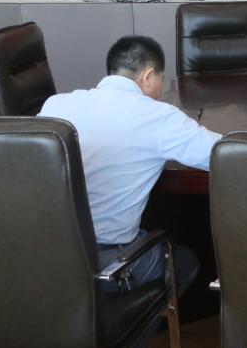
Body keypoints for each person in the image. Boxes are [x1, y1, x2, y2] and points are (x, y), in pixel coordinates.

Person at [39, 36, 220, 299]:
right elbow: (225, 154)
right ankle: (129, 321)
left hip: (46, 257)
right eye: (161, 79)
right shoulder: (158, 117)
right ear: (148, 76)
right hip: (108, 265)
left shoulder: (56, 105)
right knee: (186, 263)